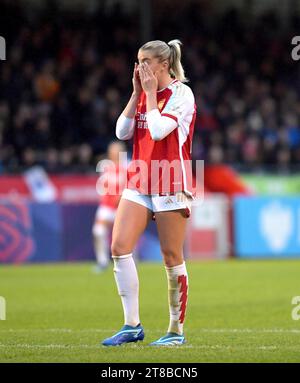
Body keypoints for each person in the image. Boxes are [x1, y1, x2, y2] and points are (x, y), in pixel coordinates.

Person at [101, 39, 196, 346]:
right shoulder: (144, 93)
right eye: (137, 61)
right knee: (118, 246)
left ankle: (175, 331)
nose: (139, 67)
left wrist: (151, 94)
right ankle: (132, 325)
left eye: (145, 62)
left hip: (170, 180)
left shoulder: (182, 94)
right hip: (140, 179)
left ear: (163, 65)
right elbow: (122, 132)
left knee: (170, 256)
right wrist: (136, 93)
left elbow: (157, 131)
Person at [92, 141, 127, 272]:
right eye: (112, 151)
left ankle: (129, 262)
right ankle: (102, 262)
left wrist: (122, 196)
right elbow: (102, 185)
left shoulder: (128, 167)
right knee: (98, 231)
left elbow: (132, 185)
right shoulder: (106, 166)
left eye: (116, 151)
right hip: (106, 206)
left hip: (122, 207)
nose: (114, 154)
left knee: (124, 237)